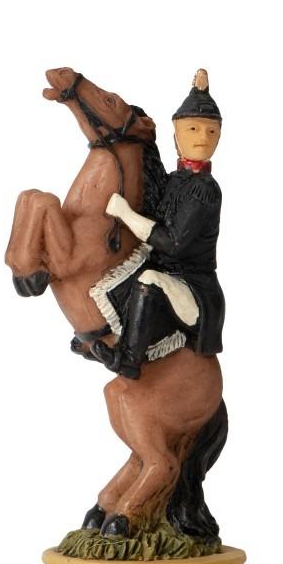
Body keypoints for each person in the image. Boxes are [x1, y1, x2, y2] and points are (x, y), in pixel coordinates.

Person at [91, 69, 225, 379]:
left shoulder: (205, 190)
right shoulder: (175, 180)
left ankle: (128, 359)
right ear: (176, 134)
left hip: (195, 289)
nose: (202, 138)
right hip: (171, 276)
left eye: (211, 131)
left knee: (150, 279)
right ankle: (94, 333)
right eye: (193, 128)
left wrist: (125, 214)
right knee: (122, 273)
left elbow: (171, 242)